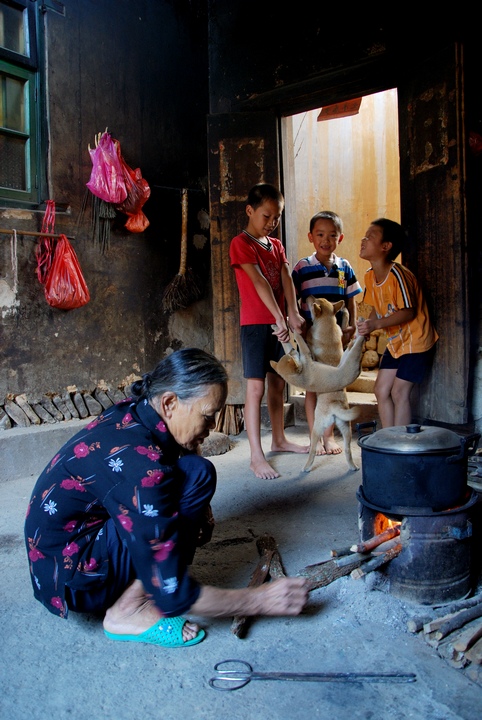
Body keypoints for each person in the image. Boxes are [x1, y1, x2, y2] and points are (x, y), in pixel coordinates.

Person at [24, 348, 309, 648]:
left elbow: (180, 458)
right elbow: (175, 595)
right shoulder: (143, 469)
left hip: (66, 548)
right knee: (166, 564)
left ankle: (140, 582)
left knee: (198, 472)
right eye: (208, 417)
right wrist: (258, 600)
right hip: (72, 577)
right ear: (170, 402)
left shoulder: (133, 412)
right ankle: (128, 610)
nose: (211, 429)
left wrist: (199, 512)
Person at [229, 183, 308, 480]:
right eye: (266, 216)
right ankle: (255, 456)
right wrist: (279, 317)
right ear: (250, 211)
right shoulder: (241, 243)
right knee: (256, 388)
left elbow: (286, 276)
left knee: (278, 385)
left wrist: (293, 313)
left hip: (280, 323)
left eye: (276, 217)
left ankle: (279, 439)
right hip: (256, 325)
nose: (272, 223)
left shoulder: (275, 245)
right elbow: (260, 281)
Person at [291, 210, 362, 455]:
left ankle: (329, 437)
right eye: (320, 234)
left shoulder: (344, 268)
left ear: (340, 238)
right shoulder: (302, 267)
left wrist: (350, 326)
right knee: (313, 387)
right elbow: (292, 299)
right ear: (311, 237)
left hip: (336, 343)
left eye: (332, 235)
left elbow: (351, 299)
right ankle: (315, 438)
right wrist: (296, 321)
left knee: (332, 388)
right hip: (313, 341)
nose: (326, 240)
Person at [357, 218, 439, 428]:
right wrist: (366, 326)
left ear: (386, 247)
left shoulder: (398, 275)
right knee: (380, 390)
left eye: (370, 237)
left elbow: (409, 312)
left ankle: (401, 442)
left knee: (399, 391)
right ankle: (388, 438)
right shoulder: (369, 276)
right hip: (396, 342)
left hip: (416, 342)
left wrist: (376, 325)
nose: (363, 240)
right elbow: (376, 308)